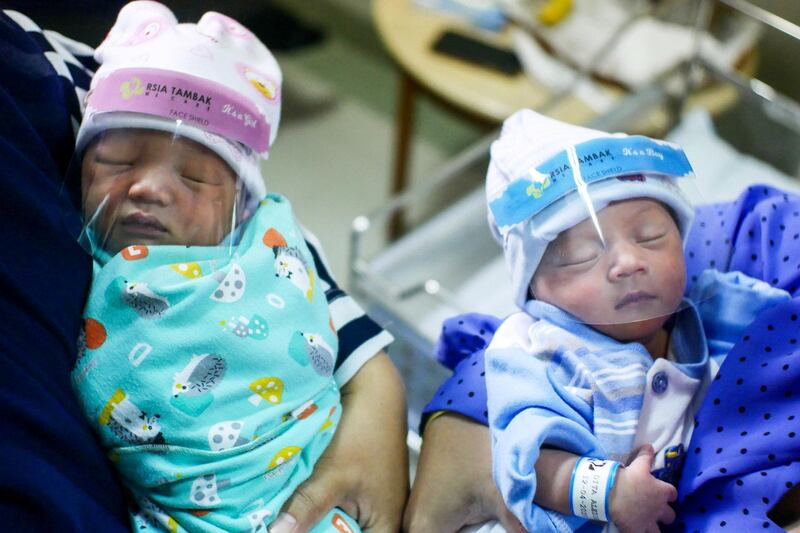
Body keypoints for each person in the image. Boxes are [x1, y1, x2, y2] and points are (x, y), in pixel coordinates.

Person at [0, 6, 406, 533]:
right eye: (119, 162)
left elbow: (294, 264)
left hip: (305, 468)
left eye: (193, 176)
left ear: (240, 204)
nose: (149, 188)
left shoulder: (263, 234)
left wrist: (375, 377)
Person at [405, 109, 800, 533]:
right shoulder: (540, 353)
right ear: (536, 292)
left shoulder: (712, 309)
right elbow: (527, 459)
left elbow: (776, 321)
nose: (628, 263)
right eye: (580, 257)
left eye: (651, 236)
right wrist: (610, 493)